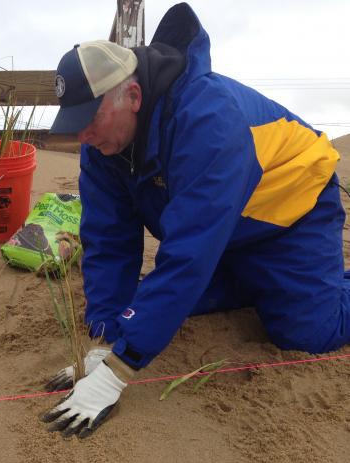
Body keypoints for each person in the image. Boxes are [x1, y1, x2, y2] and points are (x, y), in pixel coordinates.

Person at [41, 2, 342, 438]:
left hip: (291, 212)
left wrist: (118, 369)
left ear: (133, 96)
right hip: (227, 231)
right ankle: (251, 281)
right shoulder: (103, 145)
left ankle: (309, 286)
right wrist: (105, 340)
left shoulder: (208, 120)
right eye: (74, 124)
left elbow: (189, 253)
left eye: (91, 119)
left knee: (308, 333)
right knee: (151, 310)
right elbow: (109, 240)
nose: (83, 136)